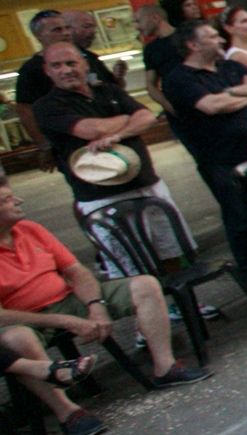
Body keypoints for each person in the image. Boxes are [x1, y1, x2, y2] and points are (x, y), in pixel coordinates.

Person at [0, 173, 208, 393]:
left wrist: (96, 305)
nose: (18, 202)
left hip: (67, 299)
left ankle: (166, 367)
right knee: (17, 338)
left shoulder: (31, 229)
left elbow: (76, 271)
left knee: (145, 285)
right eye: (6, 200)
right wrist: (66, 321)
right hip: (26, 318)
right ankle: (68, 412)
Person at [32, 41, 190, 278]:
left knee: (170, 250)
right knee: (129, 263)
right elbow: (91, 130)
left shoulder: (109, 90)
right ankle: (155, 308)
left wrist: (117, 134)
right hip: (100, 197)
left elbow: (147, 117)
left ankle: (184, 302)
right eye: (56, 65)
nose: (65, 70)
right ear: (47, 70)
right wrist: (127, 118)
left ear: (84, 64)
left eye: (71, 63)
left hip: (146, 184)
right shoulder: (46, 106)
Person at [162, 22, 247, 289]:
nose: (220, 40)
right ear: (193, 45)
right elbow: (211, 106)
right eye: (212, 37)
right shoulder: (179, 78)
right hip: (220, 160)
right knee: (240, 217)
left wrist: (232, 93)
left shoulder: (228, 66)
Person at [12, 9, 119, 151]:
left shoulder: (88, 57)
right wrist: (43, 143)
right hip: (69, 142)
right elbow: (25, 110)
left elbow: (112, 89)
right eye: (57, 30)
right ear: (38, 36)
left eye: (67, 28)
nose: (66, 33)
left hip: (109, 133)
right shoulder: (31, 69)